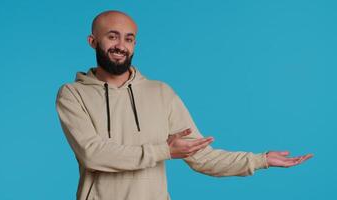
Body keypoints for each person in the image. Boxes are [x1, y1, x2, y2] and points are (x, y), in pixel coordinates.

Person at [55, 10, 313, 200]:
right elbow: (93, 154)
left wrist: (260, 160)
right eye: (113, 37)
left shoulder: (160, 93)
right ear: (93, 41)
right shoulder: (73, 94)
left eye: (129, 39)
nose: (121, 46)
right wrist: (164, 151)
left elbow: (202, 157)